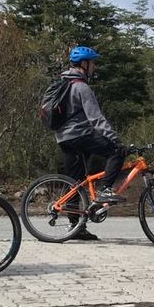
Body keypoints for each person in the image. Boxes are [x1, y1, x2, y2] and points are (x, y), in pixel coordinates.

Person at [54, 46, 126, 241]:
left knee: (75, 183)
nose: (94, 67)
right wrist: (115, 139)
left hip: (63, 137)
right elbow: (96, 119)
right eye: (92, 63)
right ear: (84, 64)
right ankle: (105, 190)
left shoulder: (63, 83)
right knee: (116, 152)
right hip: (79, 135)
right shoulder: (81, 86)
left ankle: (75, 227)